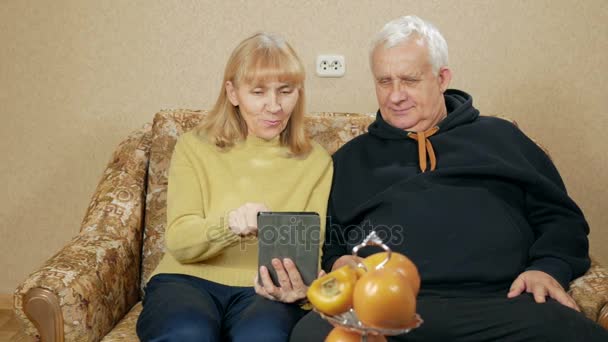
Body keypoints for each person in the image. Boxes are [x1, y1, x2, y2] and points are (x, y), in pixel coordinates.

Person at [290, 15, 608, 341]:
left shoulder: (503, 139)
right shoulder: (348, 160)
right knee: (311, 335)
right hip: (385, 308)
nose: (395, 95)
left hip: (503, 303)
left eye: (409, 80)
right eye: (384, 81)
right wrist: (338, 259)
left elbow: (562, 220)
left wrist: (547, 268)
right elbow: (330, 238)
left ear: (442, 78)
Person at [136, 32, 333, 342]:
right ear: (233, 92)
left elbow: (311, 249)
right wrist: (230, 224)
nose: (274, 106)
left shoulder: (316, 161)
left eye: (285, 91)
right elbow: (180, 242)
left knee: (262, 337)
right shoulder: (194, 146)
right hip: (185, 280)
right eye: (258, 92)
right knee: (186, 334)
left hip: (266, 290)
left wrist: (303, 290)